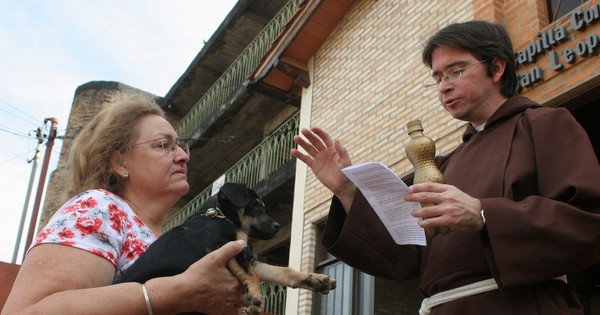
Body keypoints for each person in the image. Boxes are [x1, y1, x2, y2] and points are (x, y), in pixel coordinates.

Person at [292, 20, 600, 314]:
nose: (444, 87)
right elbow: (408, 260)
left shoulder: (544, 124)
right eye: (438, 78)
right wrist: (348, 191)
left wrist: (483, 214)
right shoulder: (445, 163)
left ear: (496, 67)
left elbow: (588, 223)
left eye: (456, 71)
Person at [3, 96, 246, 315]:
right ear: (119, 161)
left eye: (181, 145)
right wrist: (173, 292)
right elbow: (26, 312)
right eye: (163, 145)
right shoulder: (99, 208)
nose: (184, 156)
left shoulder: (161, 236)